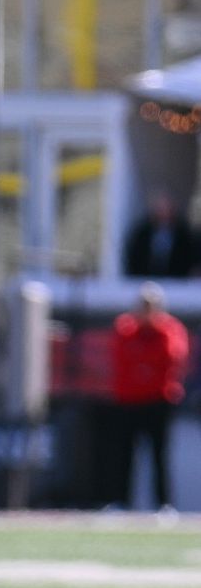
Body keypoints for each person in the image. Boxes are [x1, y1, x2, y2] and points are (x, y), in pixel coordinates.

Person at [109, 282, 191, 510]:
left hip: (158, 400)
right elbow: (123, 358)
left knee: (159, 455)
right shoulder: (125, 328)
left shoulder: (170, 329)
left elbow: (170, 357)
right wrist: (144, 362)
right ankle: (121, 502)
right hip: (129, 400)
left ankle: (164, 504)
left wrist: (143, 359)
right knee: (124, 454)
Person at [123, 191, 198, 278]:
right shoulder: (143, 233)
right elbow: (134, 257)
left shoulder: (183, 234)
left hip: (176, 282)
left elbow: (189, 258)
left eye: (167, 208)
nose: (164, 213)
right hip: (146, 279)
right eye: (161, 209)